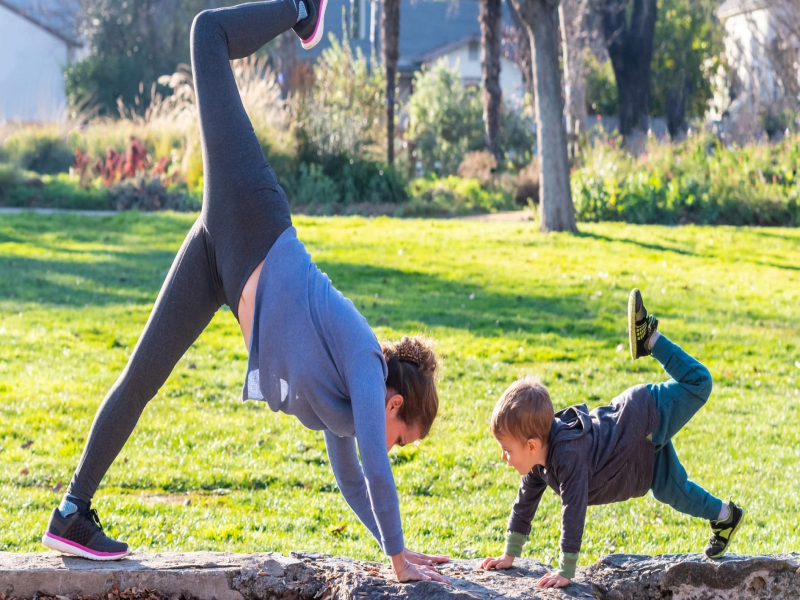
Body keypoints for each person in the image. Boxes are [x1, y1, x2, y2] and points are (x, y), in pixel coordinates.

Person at [42, 0, 449, 584]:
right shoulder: (363, 359)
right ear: (393, 406)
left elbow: (354, 480)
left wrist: (396, 549)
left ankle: (71, 513)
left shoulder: (343, 416)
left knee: (141, 376)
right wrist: (399, 556)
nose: (392, 447)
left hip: (224, 265)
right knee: (207, 33)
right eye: (402, 438)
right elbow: (377, 471)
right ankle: (300, 7)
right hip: (252, 217)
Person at [480, 288, 745, 588]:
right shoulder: (539, 463)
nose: (504, 457)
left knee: (699, 382)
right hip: (638, 455)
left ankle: (650, 338)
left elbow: (573, 509)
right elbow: (524, 503)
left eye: (506, 450)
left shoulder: (566, 454)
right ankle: (726, 517)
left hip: (644, 414)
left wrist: (567, 570)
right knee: (672, 490)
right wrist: (509, 555)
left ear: (531, 445)